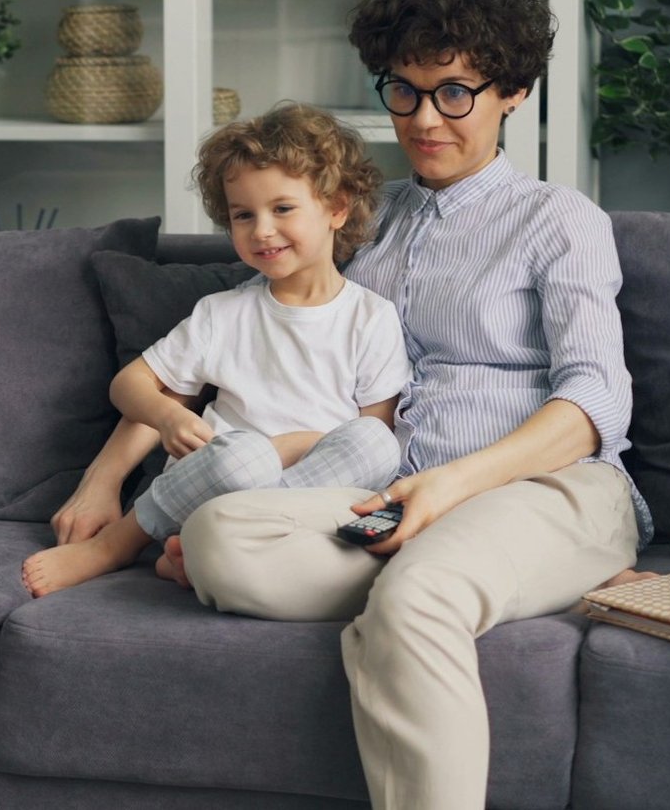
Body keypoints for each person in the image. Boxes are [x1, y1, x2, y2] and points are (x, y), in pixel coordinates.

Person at [174, 0, 656, 810]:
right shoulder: (364, 218)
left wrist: (450, 487)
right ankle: (484, 584)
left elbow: (595, 404)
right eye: (405, 90)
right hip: (385, 497)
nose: (426, 118)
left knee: (418, 595)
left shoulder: (560, 220)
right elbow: (253, 329)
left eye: (456, 92)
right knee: (216, 536)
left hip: (553, 489)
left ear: (511, 92)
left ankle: (457, 585)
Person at [22, 103, 411, 598]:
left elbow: (372, 431)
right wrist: (166, 416)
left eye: (282, 208)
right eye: (243, 215)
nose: (262, 230)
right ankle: (114, 546)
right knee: (244, 457)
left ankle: (201, 551)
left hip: (311, 493)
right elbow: (129, 385)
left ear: (337, 207)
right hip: (223, 480)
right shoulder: (222, 314)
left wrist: (290, 448)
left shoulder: (371, 317)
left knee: (377, 446)